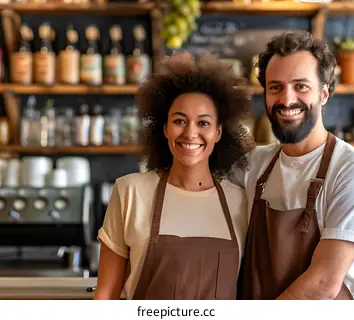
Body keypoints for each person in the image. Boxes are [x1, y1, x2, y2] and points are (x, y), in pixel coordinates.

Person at [231, 31, 354, 300]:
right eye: (275, 87)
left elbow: (323, 283)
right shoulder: (252, 165)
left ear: (324, 94)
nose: (287, 99)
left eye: (301, 86)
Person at [94, 52, 254, 300]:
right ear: (166, 129)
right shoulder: (130, 192)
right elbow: (105, 296)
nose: (190, 133)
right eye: (180, 121)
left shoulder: (241, 201)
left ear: (219, 133)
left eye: (203, 123)